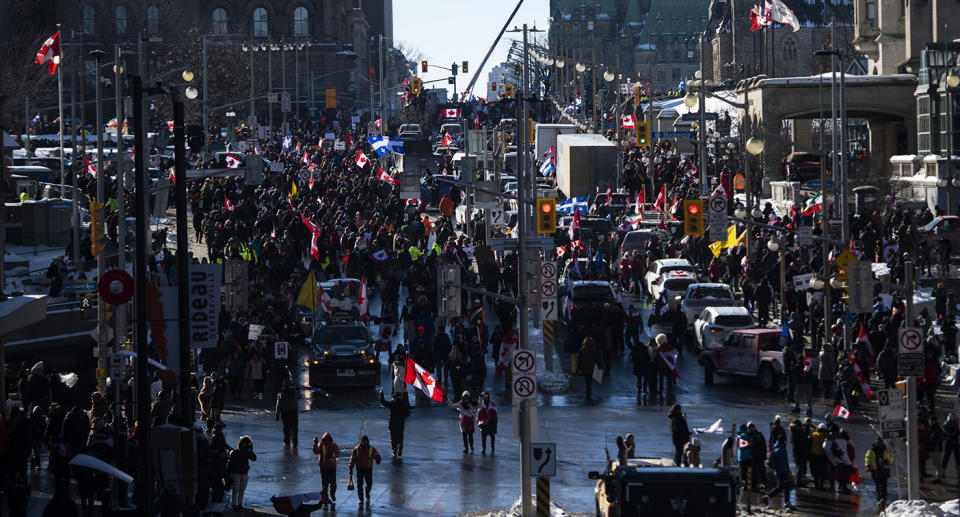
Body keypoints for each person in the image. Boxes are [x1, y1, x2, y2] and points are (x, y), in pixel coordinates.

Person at [347, 435, 382, 507]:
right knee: (360, 485)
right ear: (361, 441)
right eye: (363, 441)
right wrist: (350, 467)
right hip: (360, 469)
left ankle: (367, 491)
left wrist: (378, 459)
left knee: (369, 484)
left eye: (365, 441)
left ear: (367, 441)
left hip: (368, 469)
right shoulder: (356, 450)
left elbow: (376, 455)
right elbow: (352, 459)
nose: (364, 443)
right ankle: (361, 499)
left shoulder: (371, 449)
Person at [227, 435, 257, 512]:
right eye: (244, 443)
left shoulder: (247, 452)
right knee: (236, 490)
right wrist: (229, 475)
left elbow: (254, 458)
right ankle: (234, 505)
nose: (245, 445)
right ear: (240, 443)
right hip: (236, 473)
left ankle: (239, 505)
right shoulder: (234, 452)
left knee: (241, 490)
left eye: (247, 443)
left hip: (243, 473)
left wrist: (251, 450)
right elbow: (230, 465)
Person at [763, 438, 795, 510]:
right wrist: (787, 472)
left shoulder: (777, 449)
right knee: (783, 486)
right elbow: (784, 463)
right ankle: (768, 497)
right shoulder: (782, 450)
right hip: (783, 472)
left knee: (784, 486)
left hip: (779, 471)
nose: (786, 442)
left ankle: (786, 502)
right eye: (785, 441)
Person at [379, 388, 410, 457]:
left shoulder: (392, 404)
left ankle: (394, 451)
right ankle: (400, 447)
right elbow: (407, 413)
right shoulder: (403, 405)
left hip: (392, 424)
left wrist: (381, 394)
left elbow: (383, 402)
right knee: (400, 437)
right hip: (400, 424)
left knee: (393, 438)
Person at [865, 436, 894, 510]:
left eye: (879, 442)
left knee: (883, 486)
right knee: (878, 486)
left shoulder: (885, 450)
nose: (878, 443)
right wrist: (868, 465)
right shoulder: (872, 450)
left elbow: (891, 459)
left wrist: (887, 462)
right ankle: (880, 499)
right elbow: (867, 458)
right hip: (876, 471)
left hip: (883, 470)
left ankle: (882, 499)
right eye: (877, 442)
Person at [313, 432, 340, 501]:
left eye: (328, 439)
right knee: (325, 484)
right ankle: (325, 497)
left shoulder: (334, 445)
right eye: (326, 439)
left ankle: (332, 494)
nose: (327, 441)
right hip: (324, 467)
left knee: (333, 483)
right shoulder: (321, 445)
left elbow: (338, 453)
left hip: (332, 467)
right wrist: (315, 444)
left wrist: (333, 456)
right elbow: (316, 451)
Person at [275, 380, 300, 447]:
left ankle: (287, 441)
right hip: (294, 411)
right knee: (294, 428)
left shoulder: (280, 393)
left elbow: (278, 405)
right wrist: (297, 389)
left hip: (285, 412)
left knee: (286, 428)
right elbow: (299, 396)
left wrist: (277, 414)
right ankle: (295, 442)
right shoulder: (294, 391)